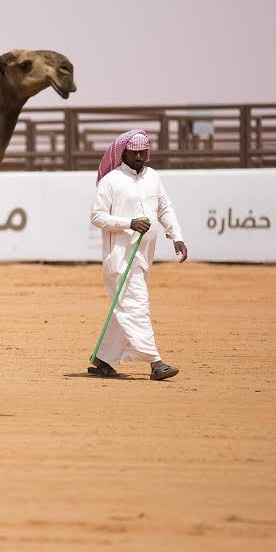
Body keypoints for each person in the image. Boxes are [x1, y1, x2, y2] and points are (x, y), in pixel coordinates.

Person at [88, 129, 187, 381]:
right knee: (136, 306)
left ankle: (103, 360)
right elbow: (97, 217)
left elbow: (165, 208)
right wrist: (128, 223)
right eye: (136, 152)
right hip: (120, 259)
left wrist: (177, 236)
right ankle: (156, 362)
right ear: (124, 152)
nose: (141, 157)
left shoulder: (152, 177)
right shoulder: (110, 181)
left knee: (126, 309)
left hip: (143, 257)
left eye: (144, 152)